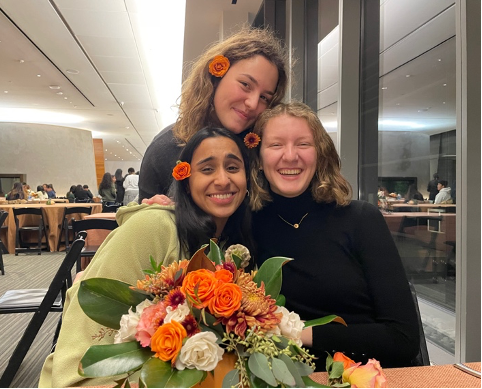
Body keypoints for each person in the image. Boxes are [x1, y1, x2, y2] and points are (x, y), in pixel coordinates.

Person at [39, 127, 253, 387]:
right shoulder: (155, 226)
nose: (222, 180)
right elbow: (83, 331)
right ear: (185, 180)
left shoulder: (231, 247)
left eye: (232, 168)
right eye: (207, 169)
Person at [248, 102, 420, 370]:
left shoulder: (360, 219)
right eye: (276, 145)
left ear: (321, 154)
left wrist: (297, 334)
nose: (290, 156)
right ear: (258, 157)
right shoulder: (246, 225)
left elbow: (403, 338)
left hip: (368, 377)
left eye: (303, 144)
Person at [138, 27, 290, 203]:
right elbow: (135, 221)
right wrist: (151, 213)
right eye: (245, 85)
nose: (253, 103)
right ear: (216, 77)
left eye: (264, 97)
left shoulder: (264, 151)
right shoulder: (166, 148)